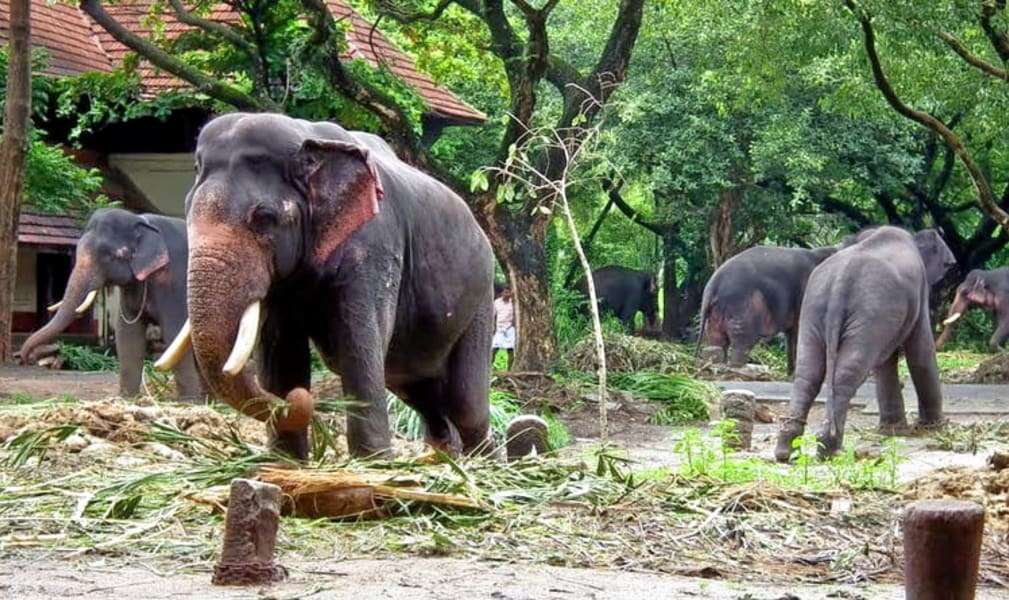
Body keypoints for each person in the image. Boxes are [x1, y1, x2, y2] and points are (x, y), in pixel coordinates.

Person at [492, 287, 515, 369]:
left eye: (509, 293)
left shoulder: (513, 303)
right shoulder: (497, 302)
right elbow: (493, 315)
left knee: (510, 350)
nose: (507, 295)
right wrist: (494, 327)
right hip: (500, 328)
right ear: (502, 293)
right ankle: (490, 367)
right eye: (505, 293)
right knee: (494, 348)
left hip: (509, 328)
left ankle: (509, 370)